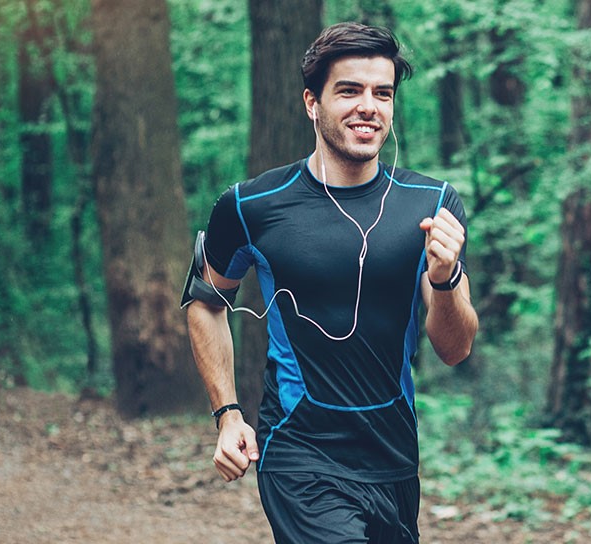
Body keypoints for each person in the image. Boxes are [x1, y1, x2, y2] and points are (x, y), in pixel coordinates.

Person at [183, 22, 478, 543]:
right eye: (349, 91)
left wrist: (445, 277)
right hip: (299, 453)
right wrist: (227, 414)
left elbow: (454, 349)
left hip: (393, 459)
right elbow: (205, 303)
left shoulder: (432, 205)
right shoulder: (251, 205)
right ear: (311, 103)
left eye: (382, 93)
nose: (369, 106)